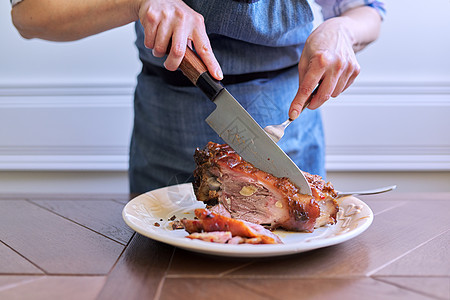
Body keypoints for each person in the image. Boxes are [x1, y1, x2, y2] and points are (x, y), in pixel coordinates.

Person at [10, 0, 384, 193]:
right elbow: (30, 15)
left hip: (289, 126)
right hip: (166, 125)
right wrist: (138, 1)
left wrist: (343, 29)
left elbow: (367, 11)